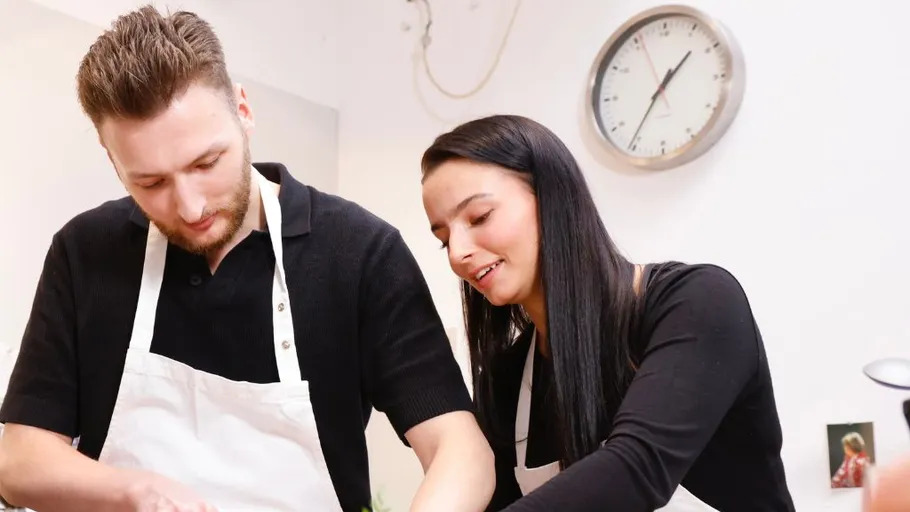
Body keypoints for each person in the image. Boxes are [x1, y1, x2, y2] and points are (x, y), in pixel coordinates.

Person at [0, 6, 494, 512]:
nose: (189, 207)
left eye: (206, 163)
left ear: (244, 111)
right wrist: (132, 492)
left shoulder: (359, 253)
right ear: (113, 160)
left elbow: (461, 450)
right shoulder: (85, 252)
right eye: (151, 183)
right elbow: (18, 459)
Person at [419, 114, 796, 511]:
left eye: (479, 218)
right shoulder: (506, 379)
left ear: (552, 197)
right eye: (444, 239)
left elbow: (638, 467)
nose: (459, 252)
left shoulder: (697, 303)